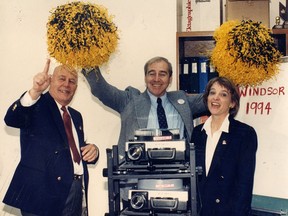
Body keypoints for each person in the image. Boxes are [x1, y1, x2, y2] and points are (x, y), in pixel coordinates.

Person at [81, 56, 207, 205]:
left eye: (162, 73)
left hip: (177, 183)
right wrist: (87, 55)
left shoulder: (182, 100)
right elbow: (101, 89)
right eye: (151, 73)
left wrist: (233, 68)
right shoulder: (130, 100)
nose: (156, 79)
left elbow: (214, 98)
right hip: (137, 183)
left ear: (170, 78)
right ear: (145, 76)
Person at [3, 59, 99, 216]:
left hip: (75, 191)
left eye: (72, 81)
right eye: (62, 78)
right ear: (50, 80)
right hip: (41, 195)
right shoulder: (36, 104)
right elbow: (12, 119)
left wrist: (93, 150)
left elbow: (74, 148)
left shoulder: (75, 116)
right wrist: (35, 91)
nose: (66, 85)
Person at [191, 76, 258, 216]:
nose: (215, 98)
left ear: (232, 103)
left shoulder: (244, 134)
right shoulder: (197, 133)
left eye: (223, 94)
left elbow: (244, 186)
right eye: (212, 93)